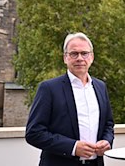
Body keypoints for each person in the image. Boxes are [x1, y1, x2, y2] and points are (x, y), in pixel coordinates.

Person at [26, 32, 114, 166]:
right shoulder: (49, 88)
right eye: (74, 54)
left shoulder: (100, 87)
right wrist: (73, 147)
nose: (79, 58)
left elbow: (108, 124)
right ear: (65, 58)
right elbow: (34, 133)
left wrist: (107, 141)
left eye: (84, 53)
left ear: (91, 57)